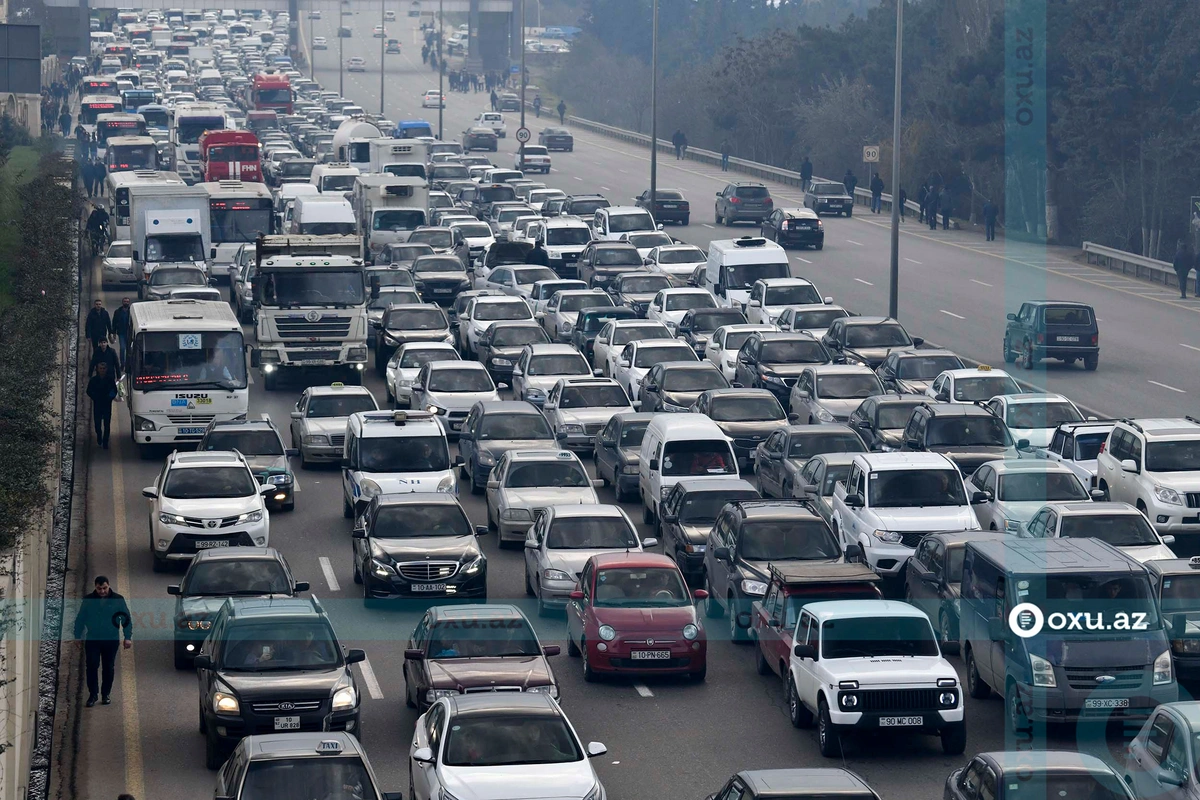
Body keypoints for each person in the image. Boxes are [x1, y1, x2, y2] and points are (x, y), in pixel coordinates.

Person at [73, 575, 133, 707]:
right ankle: (93, 695)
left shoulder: (118, 600)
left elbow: (126, 618)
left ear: (109, 586)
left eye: (104, 588)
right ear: (95, 587)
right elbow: (81, 618)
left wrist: (127, 637)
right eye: (99, 588)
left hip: (110, 639)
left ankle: (106, 694)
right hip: (93, 638)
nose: (102, 591)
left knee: (108, 667)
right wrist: (77, 635)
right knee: (92, 666)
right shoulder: (88, 600)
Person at [87, 361, 117, 448]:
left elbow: (114, 391)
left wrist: (109, 398)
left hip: (107, 404)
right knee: (97, 424)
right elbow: (88, 391)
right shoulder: (94, 380)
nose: (102, 370)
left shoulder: (110, 379)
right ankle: (99, 436)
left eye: (104, 369)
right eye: (100, 368)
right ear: (97, 369)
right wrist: (95, 397)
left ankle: (105, 442)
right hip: (97, 404)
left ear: (106, 369)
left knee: (107, 424)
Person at [110, 296, 132, 370]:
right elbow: (114, 322)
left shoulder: (132, 311)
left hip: (130, 333)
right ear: (122, 302)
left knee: (129, 349)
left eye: (127, 301)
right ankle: (122, 364)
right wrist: (114, 332)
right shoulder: (118, 311)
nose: (126, 303)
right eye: (125, 301)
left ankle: (128, 364)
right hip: (121, 333)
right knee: (122, 348)